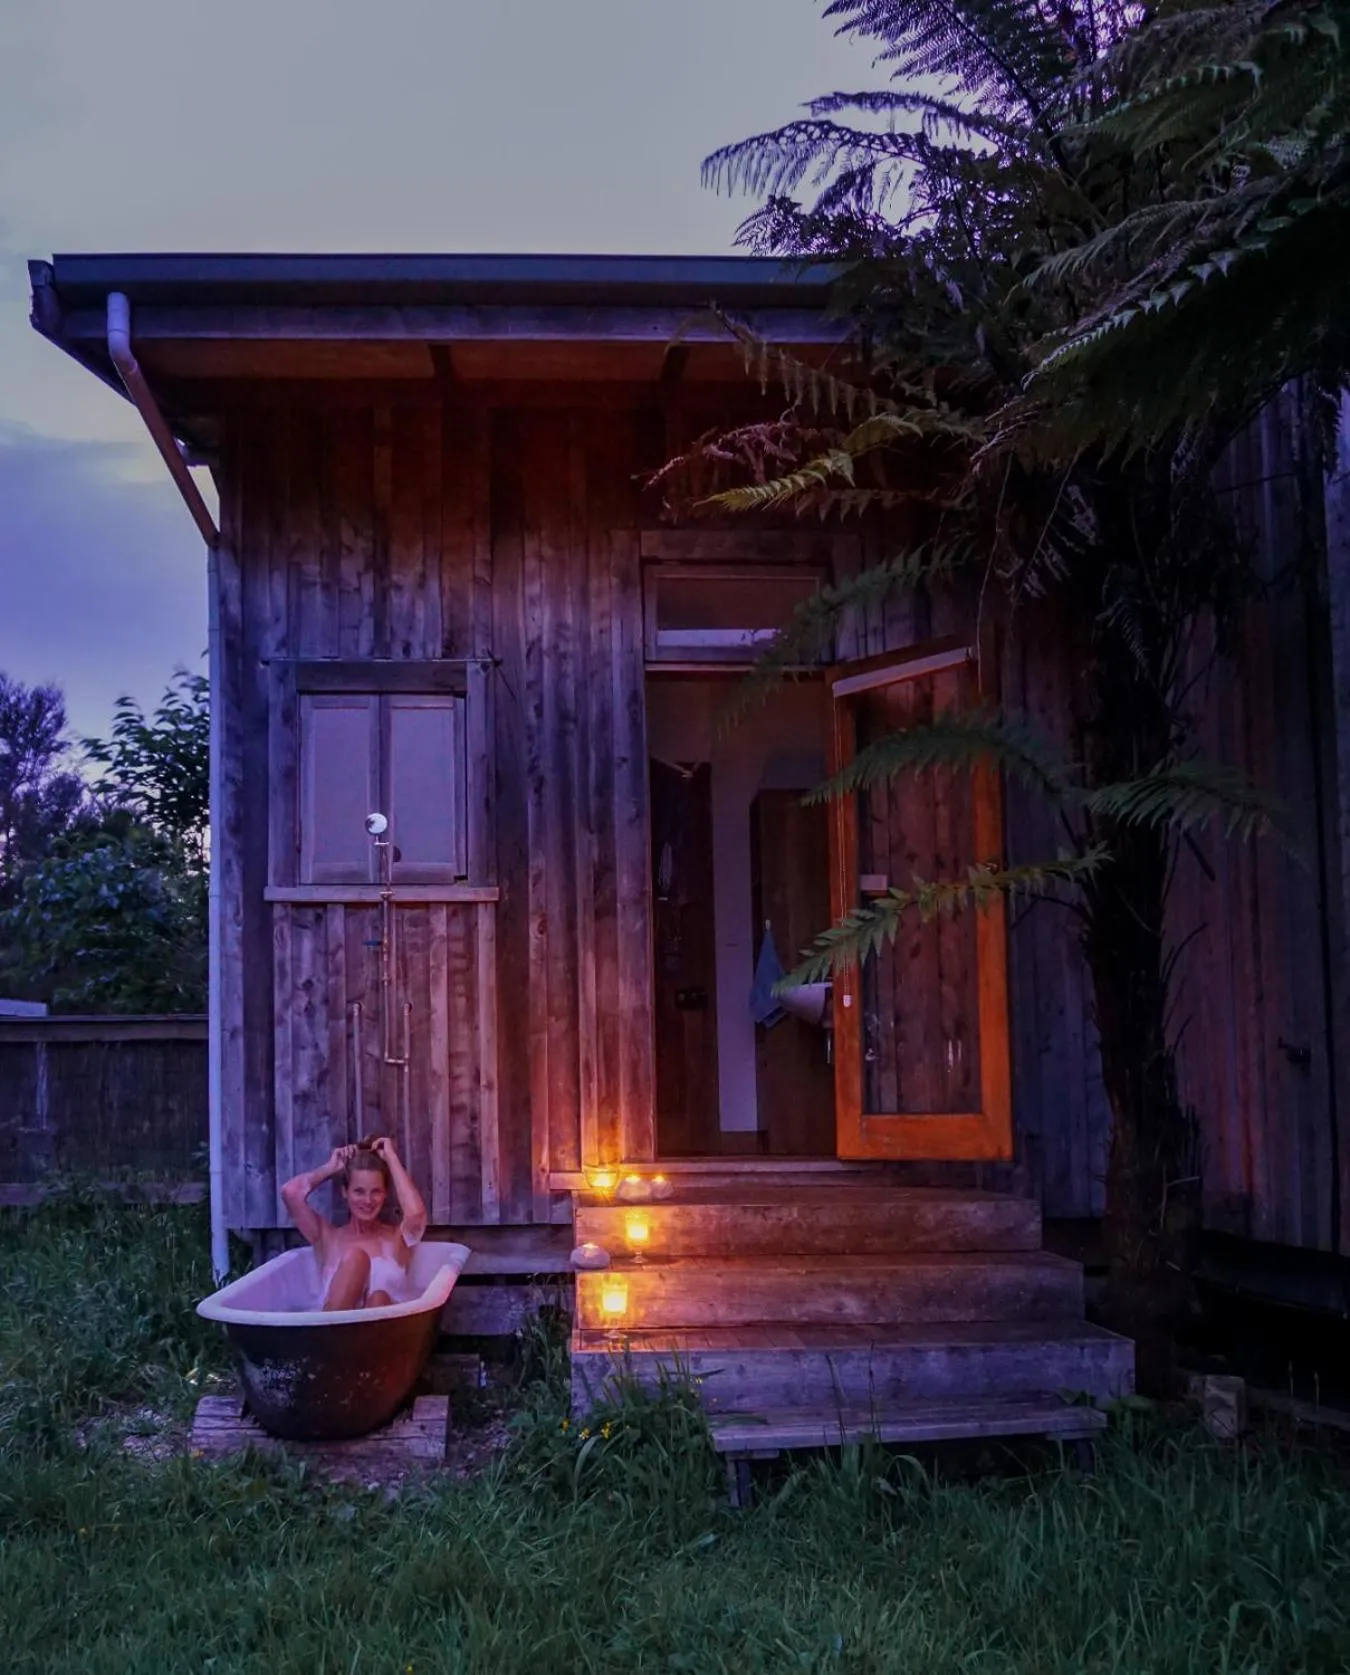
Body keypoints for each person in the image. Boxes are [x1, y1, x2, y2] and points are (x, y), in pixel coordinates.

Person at [280, 1136, 428, 1310]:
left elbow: (416, 1214)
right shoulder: (328, 1238)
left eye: (376, 1192)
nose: (367, 1200)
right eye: (359, 1191)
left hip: (384, 1330)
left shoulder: (396, 1239)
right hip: (334, 1329)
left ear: (385, 1194)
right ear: (345, 1192)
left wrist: (391, 1158)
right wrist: (330, 1168)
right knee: (356, 1260)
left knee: (379, 1298)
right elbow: (291, 1193)